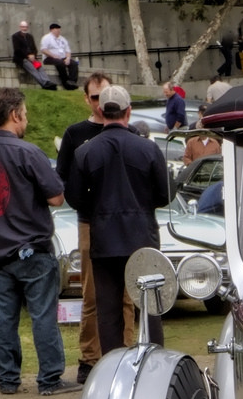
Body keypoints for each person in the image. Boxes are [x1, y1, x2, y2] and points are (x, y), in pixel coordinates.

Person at [0, 87, 74, 395]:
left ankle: (8, 379)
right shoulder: (27, 152)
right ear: (15, 115)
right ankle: (50, 377)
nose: (26, 120)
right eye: (25, 114)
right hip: (32, 248)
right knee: (43, 315)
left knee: (4, 318)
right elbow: (56, 196)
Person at [66, 83, 171, 358]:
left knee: (108, 308)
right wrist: (142, 204)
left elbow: (75, 197)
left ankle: (112, 364)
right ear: (129, 111)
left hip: (104, 237)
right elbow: (164, 194)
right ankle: (155, 360)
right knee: (150, 305)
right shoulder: (148, 149)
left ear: (101, 110)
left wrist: (99, 209)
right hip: (142, 236)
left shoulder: (86, 152)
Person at [56, 72, 126, 380]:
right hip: (90, 222)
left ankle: (126, 352)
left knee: (127, 293)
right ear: (87, 99)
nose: (102, 103)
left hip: (123, 223)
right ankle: (89, 357)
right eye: (96, 97)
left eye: (107, 96)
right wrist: (86, 204)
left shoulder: (129, 132)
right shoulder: (76, 134)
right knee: (92, 293)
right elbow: (64, 180)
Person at [11, 20, 52, 89]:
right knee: (32, 69)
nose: (24, 28)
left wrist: (33, 55)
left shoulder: (30, 36)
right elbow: (17, 50)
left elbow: (34, 48)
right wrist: (27, 56)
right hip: (22, 58)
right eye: (23, 27)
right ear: (20, 27)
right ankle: (44, 84)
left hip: (32, 58)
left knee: (39, 67)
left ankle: (47, 81)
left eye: (26, 27)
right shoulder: (15, 36)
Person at [40, 22, 77, 90]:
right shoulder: (46, 38)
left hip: (62, 57)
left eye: (59, 29)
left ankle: (72, 81)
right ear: (51, 30)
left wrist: (68, 58)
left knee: (73, 63)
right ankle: (65, 82)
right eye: (56, 29)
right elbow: (43, 49)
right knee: (60, 63)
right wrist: (53, 55)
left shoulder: (62, 39)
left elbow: (68, 50)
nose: (58, 30)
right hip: (49, 58)